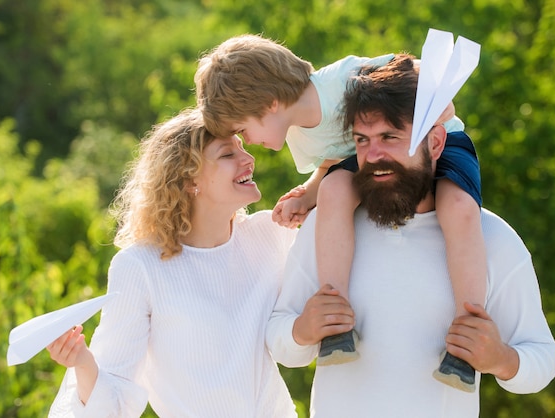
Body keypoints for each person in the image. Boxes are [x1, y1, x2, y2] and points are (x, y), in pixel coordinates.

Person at [265, 54, 555, 417]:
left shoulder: (492, 238)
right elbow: (279, 341)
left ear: (436, 144)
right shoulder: (325, 228)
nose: (374, 155)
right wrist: (302, 330)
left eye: (390, 137)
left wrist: (502, 359)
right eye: (362, 140)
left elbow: (543, 359)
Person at [194, 34, 487, 385]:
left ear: (270, 103)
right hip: (375, 160)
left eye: (243, 129)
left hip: (435, 141)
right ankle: (337, 317)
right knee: (333, 189)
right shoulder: (299, 138)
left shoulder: (346, 79)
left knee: (457, 205)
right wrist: (308, 194)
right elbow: (335, 161)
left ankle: (468, 335)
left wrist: (434, 108)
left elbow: (423, 73)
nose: (248, 140)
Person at [46, 108, 298, 417]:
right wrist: (81, 361)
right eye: (227, 154)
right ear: (190, 179)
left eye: (243, 148)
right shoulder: (140, 267)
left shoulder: (271, 235)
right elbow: (116, 389)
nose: (249, 159)